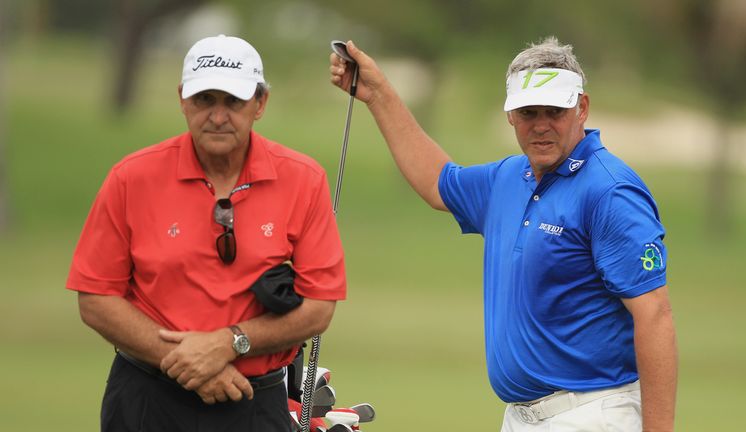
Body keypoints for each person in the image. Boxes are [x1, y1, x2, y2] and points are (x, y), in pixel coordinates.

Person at [330, 36, 677, 431]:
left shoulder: (610, 191)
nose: (541, 125)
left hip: (591, 413)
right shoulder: (510, 177)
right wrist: (377, 94)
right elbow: (436, 182)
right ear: (510, 115)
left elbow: (654, 314)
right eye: (529, 112)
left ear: (581, 108)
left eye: (554, 111)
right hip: (520, 418)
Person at [67, 34, 346, 432]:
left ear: (260, 103)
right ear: (182, 99)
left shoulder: (303, 180)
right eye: (204, 100)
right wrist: (189, 363)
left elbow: (319, 307)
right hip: (147, 398)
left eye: (233, 101)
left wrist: (230, 342)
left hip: (255, 402)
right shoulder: (132, 177)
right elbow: (96, 297)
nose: (218, 116)